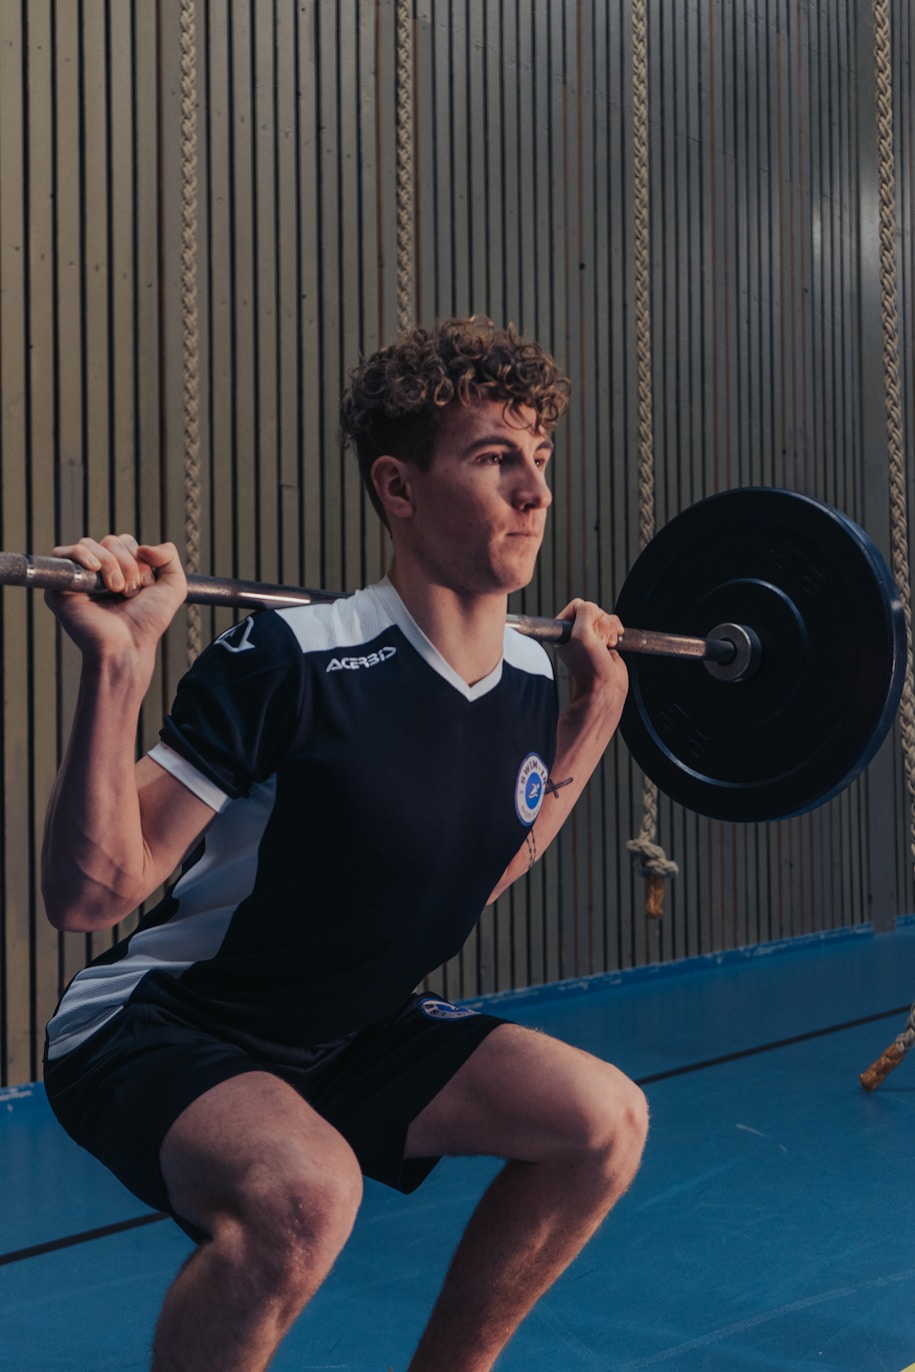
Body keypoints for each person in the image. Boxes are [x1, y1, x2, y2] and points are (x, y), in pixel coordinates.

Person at [41, 317, 648, 1372]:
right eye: (495, 457)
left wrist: (588, 730)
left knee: (603, 1118)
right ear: (399, 488)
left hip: (347, 1030)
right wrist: (118, 667)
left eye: (540, 460)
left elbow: (474, 864)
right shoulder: (291, 659)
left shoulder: (533, 679)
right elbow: (92, 893)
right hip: (171, 1023)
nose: (536, 493)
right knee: (306, 1192)